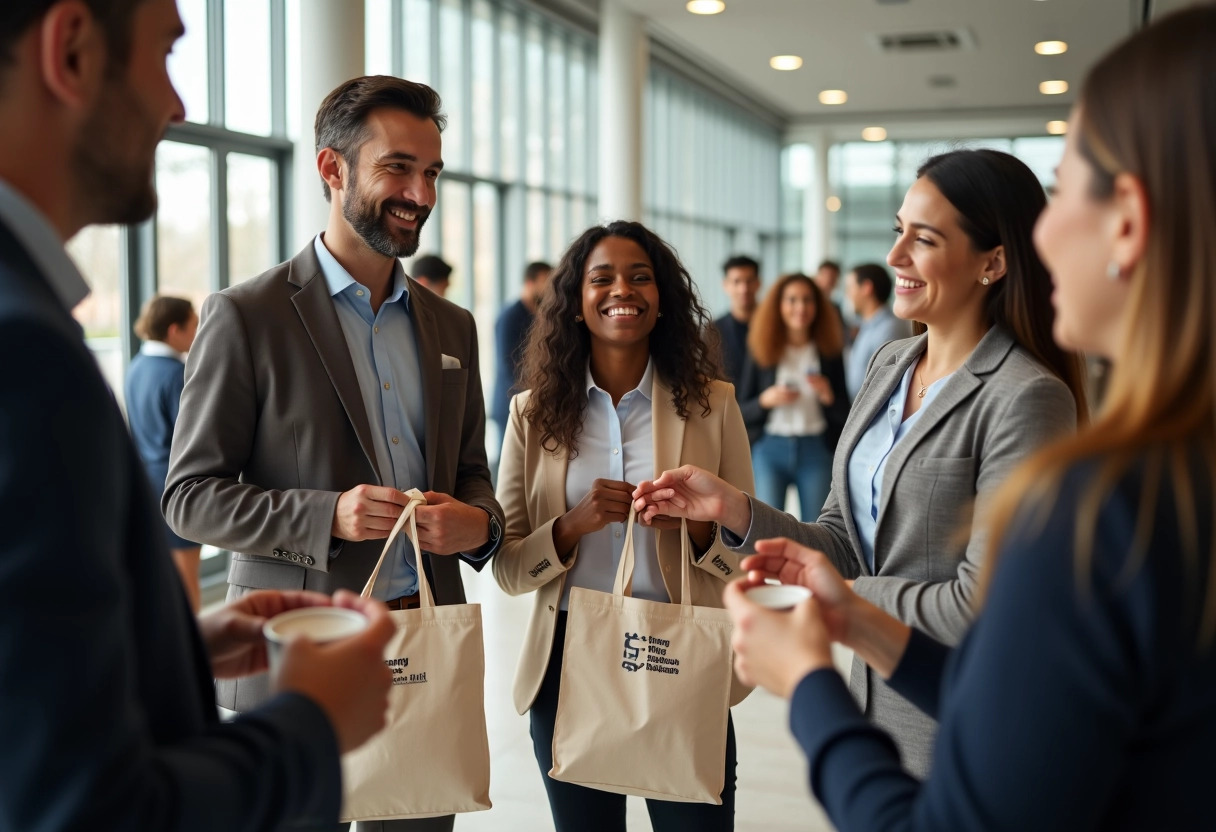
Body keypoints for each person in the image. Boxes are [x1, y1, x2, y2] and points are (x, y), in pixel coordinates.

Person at [721, 6, 1216, 830]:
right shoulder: (892, 366)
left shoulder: (1099, 498)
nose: (1047, 233)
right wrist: (828, 592)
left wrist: (808, 681)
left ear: (1127, 219)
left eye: (1063, 191)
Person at [0, 1, 397, 829]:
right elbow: (85, 809)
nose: (177, 106)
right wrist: (311, 725)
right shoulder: (27, 353)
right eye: (166, 54)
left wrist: (171, 652)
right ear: (71, 50)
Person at [635, 148, 1089, 775]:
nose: (896, 257)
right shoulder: (888, 368)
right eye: (898, 231)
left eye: (923, 239)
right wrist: (732, 509)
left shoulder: (1028, 397)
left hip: (961, 721)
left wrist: (834, 598)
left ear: (994, 262)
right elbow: (842, 540)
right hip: (874, 700)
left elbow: (981, 607)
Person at [164, 75, 504, 831]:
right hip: (297, 654)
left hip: (420, 642)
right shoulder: (245, 315)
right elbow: (189, 495)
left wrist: (477, 525)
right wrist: (331, 516)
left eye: (432, 172)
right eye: (397, 169)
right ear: (331, 169)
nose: (420, 192)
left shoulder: (453, 328)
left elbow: (473, 474)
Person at [493, 221, 754, 832]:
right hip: (566, 664)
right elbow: (505, 567)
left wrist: (696, 529)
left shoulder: (714, 405)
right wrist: (571, 526)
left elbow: (749, 553)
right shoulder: (530, 415)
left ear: (662, 298)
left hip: (679, 655)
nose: (623, 290)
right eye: (602, 278)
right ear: (576, 302)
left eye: (641, 277)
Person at [737, 273, 849, 519]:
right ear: (779, 306)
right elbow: (741, 410)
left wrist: (828, 396)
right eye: (792, 300)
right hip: (770, 450)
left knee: (817, 530)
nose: (801, 307)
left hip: (816, 450)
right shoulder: (762, 348)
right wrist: (766, 400)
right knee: (765, 529)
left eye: (808, 300)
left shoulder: (829, 349)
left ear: (818, 306)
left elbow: (847, 413)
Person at [125, 294, 202, 609]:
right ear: (174, 330)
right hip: (175, 485)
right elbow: (191, 439)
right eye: (194, 326)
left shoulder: (136, 366)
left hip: (147, 483)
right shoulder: (176, 375)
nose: (198, 333)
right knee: (187, 583)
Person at [491, 260, 552, 441]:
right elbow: (509, 365)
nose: (549, 288)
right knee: (511, 464)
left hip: (533, 403)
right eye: (545, 282)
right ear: (529, 283)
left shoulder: (539, 315)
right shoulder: (510, 316)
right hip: (511, 403)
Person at [843, 263, 912, 400]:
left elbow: (886, 388)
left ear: (866, 288)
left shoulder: (889, 329)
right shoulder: (867, 325)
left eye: (850, 288)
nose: (847, 294)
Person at [709, 254, 762, 388]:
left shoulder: (774, 325)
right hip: (727, 405)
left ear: (758, 283)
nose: (743, 289)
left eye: (749, 281)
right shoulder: (714, 330)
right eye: (736, 281)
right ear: (726, 285)